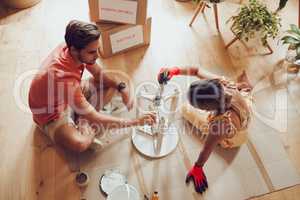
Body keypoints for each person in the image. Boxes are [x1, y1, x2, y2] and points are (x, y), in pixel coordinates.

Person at [28, 20, 156, 153]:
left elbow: (100, 74)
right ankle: (81, 123)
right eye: (92, 52)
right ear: (74, 50)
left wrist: (122, 87)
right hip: (51, 115)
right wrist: (136, 122)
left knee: (111, 84)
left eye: (97, 49)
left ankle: (82, 118)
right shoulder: (64, 79)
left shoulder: (72, 48)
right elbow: (96, 118)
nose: (97, 55)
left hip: (67, 95)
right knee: (80, 144)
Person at [158, 67, 253, 193]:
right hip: (244, 103)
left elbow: (207, 148)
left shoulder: (220, 125)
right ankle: (247, 88)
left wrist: (197, 167)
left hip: (237, 135)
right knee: (242, 88)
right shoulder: (221, 84)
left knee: (185, 110)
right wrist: (174, 71)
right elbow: (196, 71)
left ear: (207, 109)